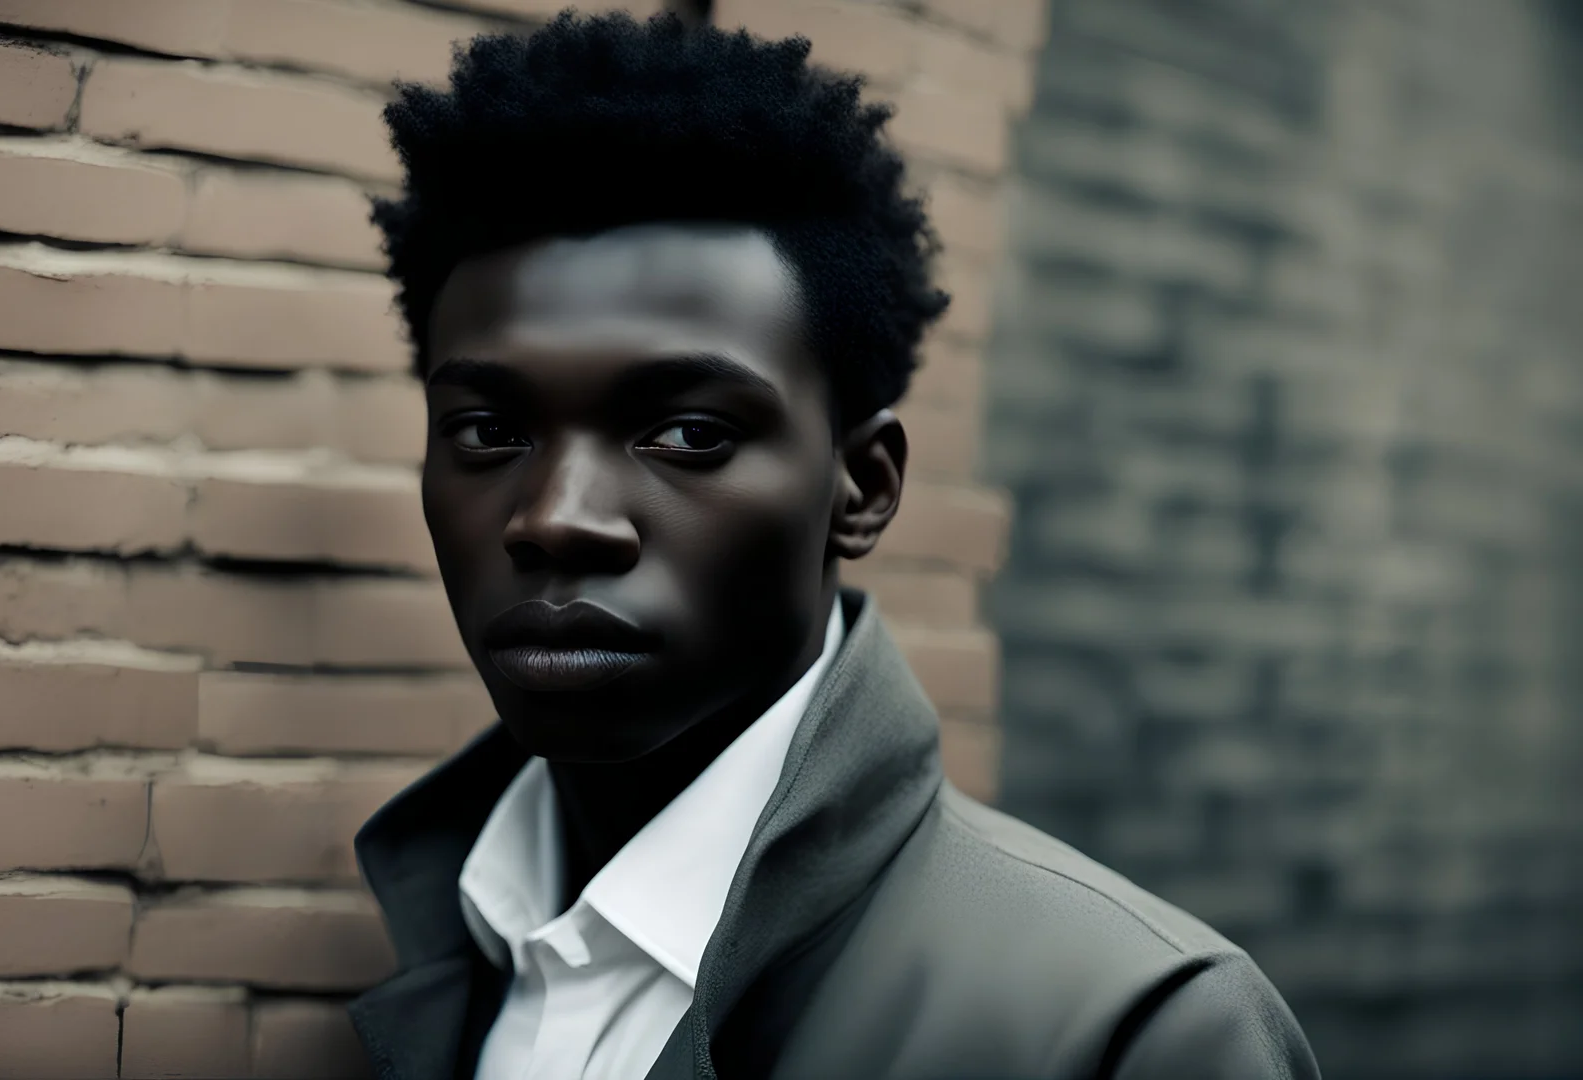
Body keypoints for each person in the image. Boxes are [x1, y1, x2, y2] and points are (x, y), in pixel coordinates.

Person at [350, 13, 1318, 1079]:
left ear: (862, 487)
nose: (554, 517)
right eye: (489, 433)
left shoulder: (1137, 1033)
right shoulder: (438, 961)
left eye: (686, 434)